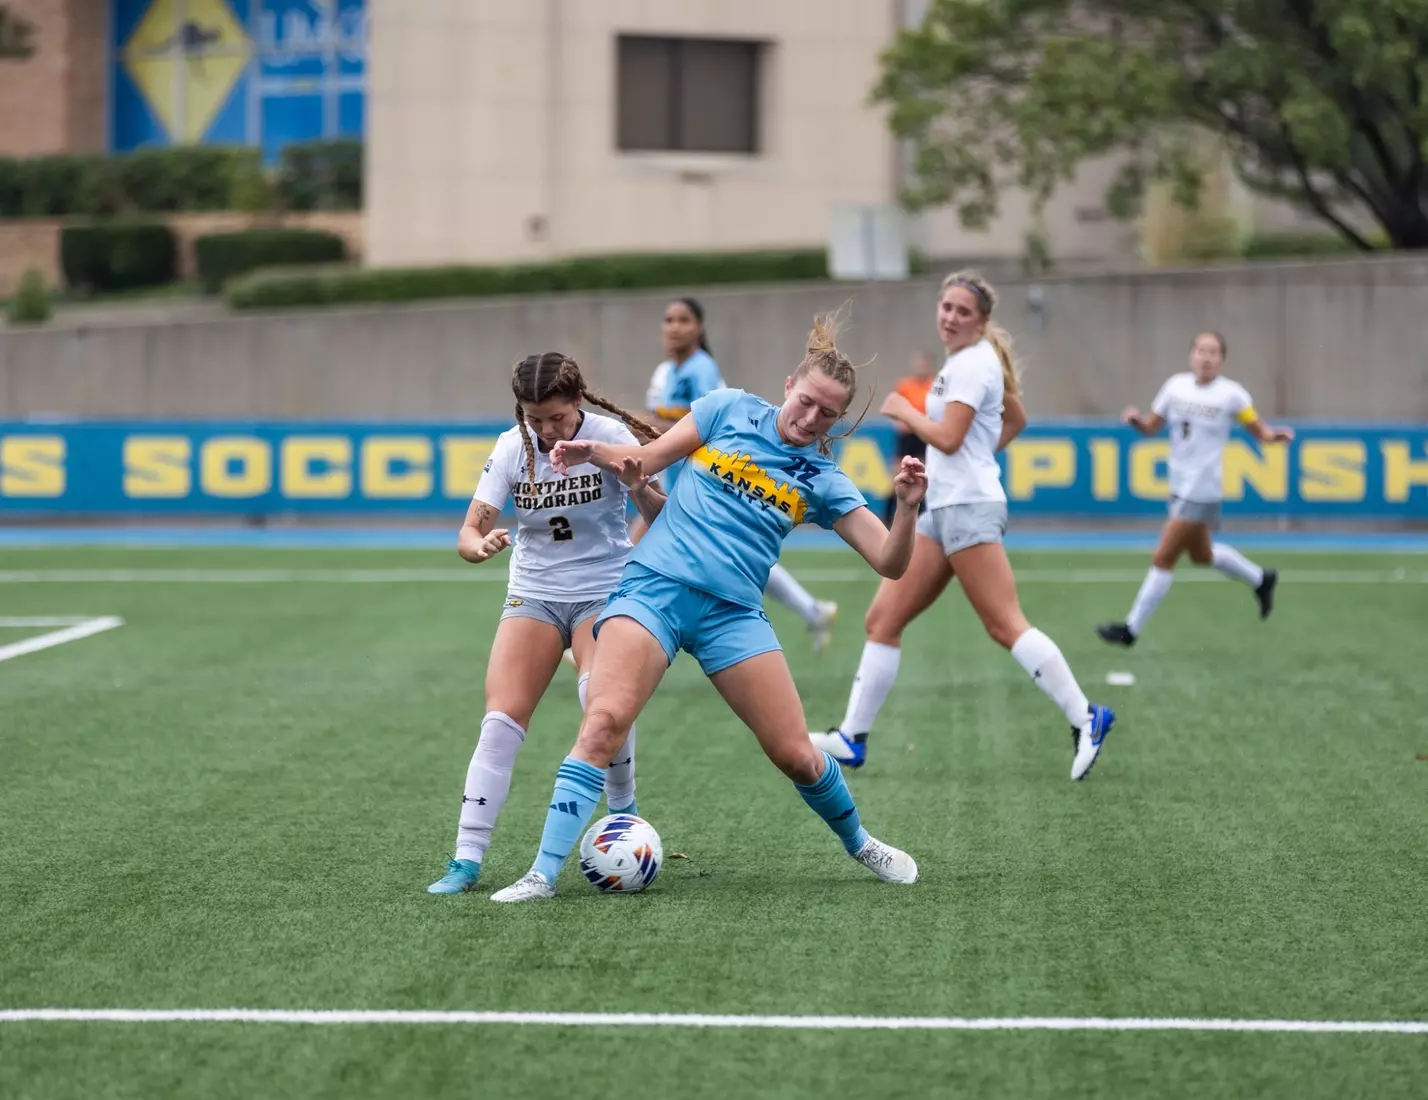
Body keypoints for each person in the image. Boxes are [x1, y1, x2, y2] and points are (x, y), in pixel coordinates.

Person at [488, 312, 927, 902]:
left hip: (733, 615)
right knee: (603, 721)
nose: (810, 418)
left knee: (797, 755)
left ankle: (861, 843)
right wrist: (595, 450)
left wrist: (906, 507)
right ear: (789, 384)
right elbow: (646, 461)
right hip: (653, 590)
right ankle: (541, 874)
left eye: (828, 413)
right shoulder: (727, 408)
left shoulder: (823, 479)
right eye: (805, 401)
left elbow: (891, 563)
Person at [810, 271, 1115, 781]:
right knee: (882, 620)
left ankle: (1087, 717)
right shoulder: (969, 362)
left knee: (1004, 624)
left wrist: (908, 413)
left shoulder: (974, 363)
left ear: (983, 321)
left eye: (962, 311)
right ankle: (851, 738)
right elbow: (1012, 418)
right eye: (945, 306)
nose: (950, 316)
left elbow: (949, 439)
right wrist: (973, 456)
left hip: (968, 508)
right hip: (943, 508)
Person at [426, 353, 668, 894]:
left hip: (604, 591)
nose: (546, 430)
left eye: (556, 418)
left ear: (577, 402)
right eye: (535, 419)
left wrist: (635, 486)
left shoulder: (611, 436)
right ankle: (465, 861)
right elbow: (468, 532)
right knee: (499, 724)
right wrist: (480, 545)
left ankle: (624, 815)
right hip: (533, 595)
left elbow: (662, 517)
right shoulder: (512, 447)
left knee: (600, 705)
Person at [633, 295, 841, 654]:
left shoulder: (701, 370)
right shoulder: (665, 373)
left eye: (683, 319)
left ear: (699, 328)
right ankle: (812, 610)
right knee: (730, 556)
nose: (673, 327)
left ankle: (604, 634)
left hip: (704, 483)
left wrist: (647, 424)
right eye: (668, 320)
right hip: (675, 477)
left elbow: (701, 425)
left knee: (639, 549)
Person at [1096, 332, 1294, 646]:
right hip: (1178, 483)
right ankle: (1261, 579)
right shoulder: (1175, 387)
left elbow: (1258, 430)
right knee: (1202, 555)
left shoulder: (1232, 395)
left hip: (1204, 487)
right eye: (1201, 351)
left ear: (1222, 360)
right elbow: (1152, 428)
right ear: (1191, 355)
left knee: (1163, 556)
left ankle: (1130, 629)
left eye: (1214, 352)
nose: (1207, 357)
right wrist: (1136, 420)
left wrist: (1273, 438)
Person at [882, 351, 937, 526]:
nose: (921, 367)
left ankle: (923, 518)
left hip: (923, 435)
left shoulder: (934, 386)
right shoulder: (905, 385)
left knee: (923, 475)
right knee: (898, 475)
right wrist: (904, 422)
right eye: (919, 363)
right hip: (907, 436)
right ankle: (888, 517)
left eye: (924, 364)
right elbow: (895, 408)